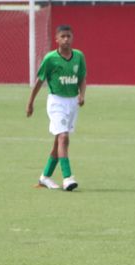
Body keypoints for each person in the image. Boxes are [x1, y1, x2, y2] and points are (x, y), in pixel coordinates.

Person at [26, 25, 86, 192]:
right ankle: (68, 178)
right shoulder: (50, 58)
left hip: (72, 103)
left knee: (58, 142)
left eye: (69, 36)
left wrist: (82, 95)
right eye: (63, 36)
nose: (66, 39)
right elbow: (39, 81)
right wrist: (30, 102)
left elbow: (82, 78)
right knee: (63, 138)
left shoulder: (79, 56)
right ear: (57, 39)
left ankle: (45, 177)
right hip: (56, 102)